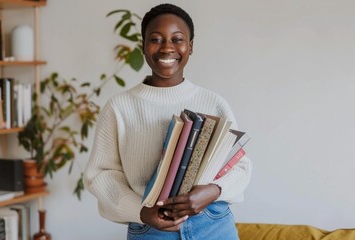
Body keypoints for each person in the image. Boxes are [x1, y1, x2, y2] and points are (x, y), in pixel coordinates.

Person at [83, 3, 252, 239]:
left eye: (177, 39)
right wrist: (141, 211)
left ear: (190, 47)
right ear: (143, 46)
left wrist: (213, 191)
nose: (167, 48)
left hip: (213, 224)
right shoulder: (119, 107)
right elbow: (100, 175)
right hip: (150, 227)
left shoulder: (214, 102)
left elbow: (241, 167)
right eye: (156, 39)